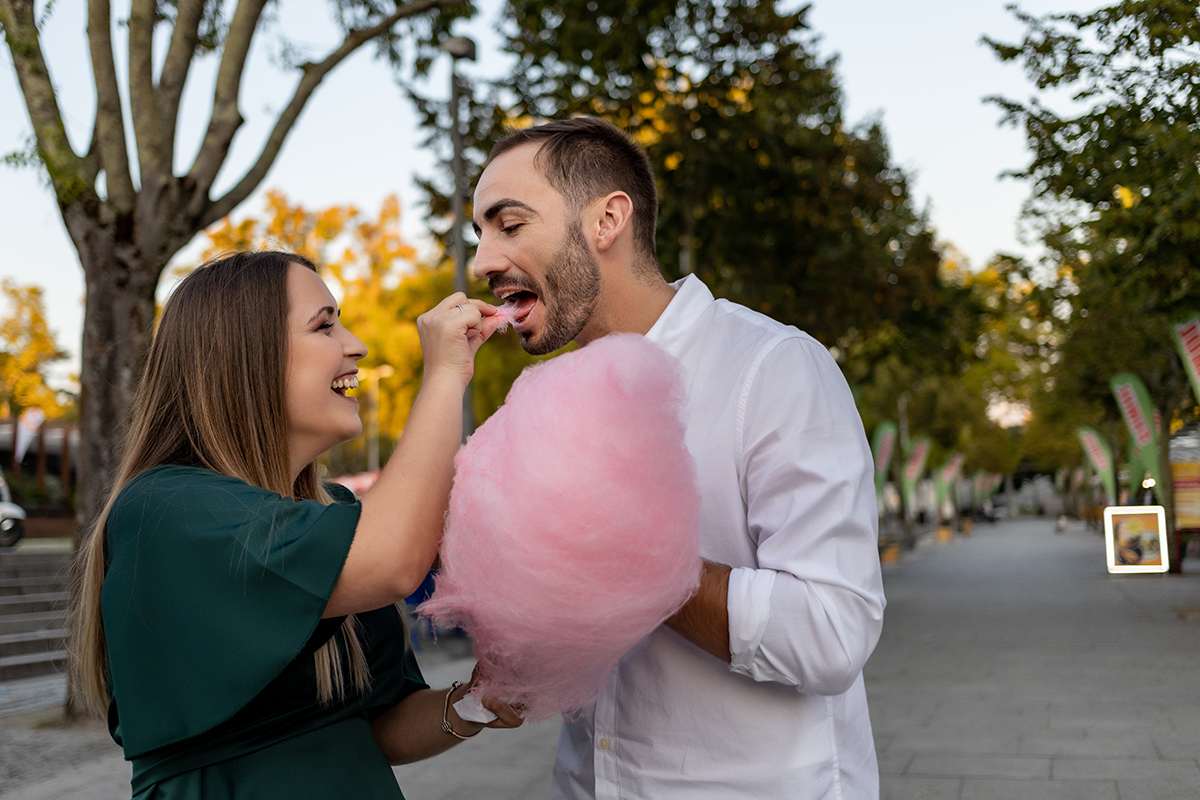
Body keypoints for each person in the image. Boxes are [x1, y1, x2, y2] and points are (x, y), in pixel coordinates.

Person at [472, 118, 886, 799]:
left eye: (509, 225)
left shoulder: (772, 368)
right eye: (480, 235)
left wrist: (628, 557)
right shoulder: (545, 402)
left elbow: (832, 635)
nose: (482, 262)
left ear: (608, 220)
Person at [70, 251, 522, 799]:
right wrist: (446, 376)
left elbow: (378, 726)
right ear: (244, 358)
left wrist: (474, 703)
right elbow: (395, 561)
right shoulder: (167, 510)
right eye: (324, 325)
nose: (356, 345)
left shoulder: (334, 515)